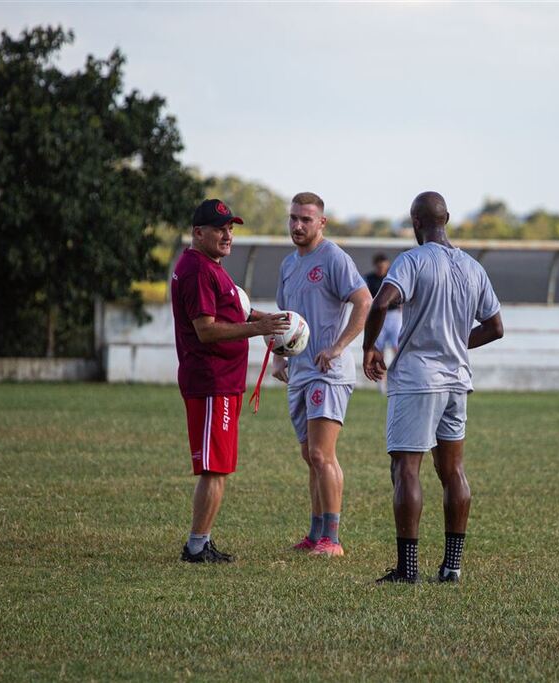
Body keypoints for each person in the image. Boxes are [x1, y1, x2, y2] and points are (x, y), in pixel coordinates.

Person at [363, 191, 503, 584]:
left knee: (406, 469)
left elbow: (380, 304)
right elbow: (495, 327)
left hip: (418, 380)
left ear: (416, 222)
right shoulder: (473, 268)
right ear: (448, 219)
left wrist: (370, 347)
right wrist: (458, 344)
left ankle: (408, 570)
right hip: (458, 381)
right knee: (453, 470)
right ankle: (452, 566)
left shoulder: (412, 260)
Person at [172, 198, 289, 563]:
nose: (228, 235)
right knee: (214, 467)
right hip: (211, 381)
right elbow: (206, 330)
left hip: (223, 381)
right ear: (198, 233)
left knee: (219, 466)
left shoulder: (211, 267)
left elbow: (230, 309)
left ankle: (202, 541)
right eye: (220, 229)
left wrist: (261, 317)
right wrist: (258, 328)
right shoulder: (197, 270)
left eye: (231, 228)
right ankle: (196, 545)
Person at [271, 192, 371, 557]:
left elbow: (364, 300)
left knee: (321, 453)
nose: (298, 225)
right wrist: (279, 358)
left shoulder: (333, 257)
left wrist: (340, 346)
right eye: (294, 218)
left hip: (327, 374)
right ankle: (315, 535)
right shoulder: (287, 265)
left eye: (306, 220)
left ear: (321, 223)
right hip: (299, 373)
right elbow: (285, 320)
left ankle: (333, 539)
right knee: (309, 456)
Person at [365, 254, 402, 356]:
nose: (381, 269)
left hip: (394, 314)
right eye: (379, 267)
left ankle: (398, 369)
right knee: (379, 347)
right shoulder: (369, 279)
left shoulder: (393, 277)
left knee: (397, 345)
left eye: (383, 267)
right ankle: (380, 370)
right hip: (377, 314)